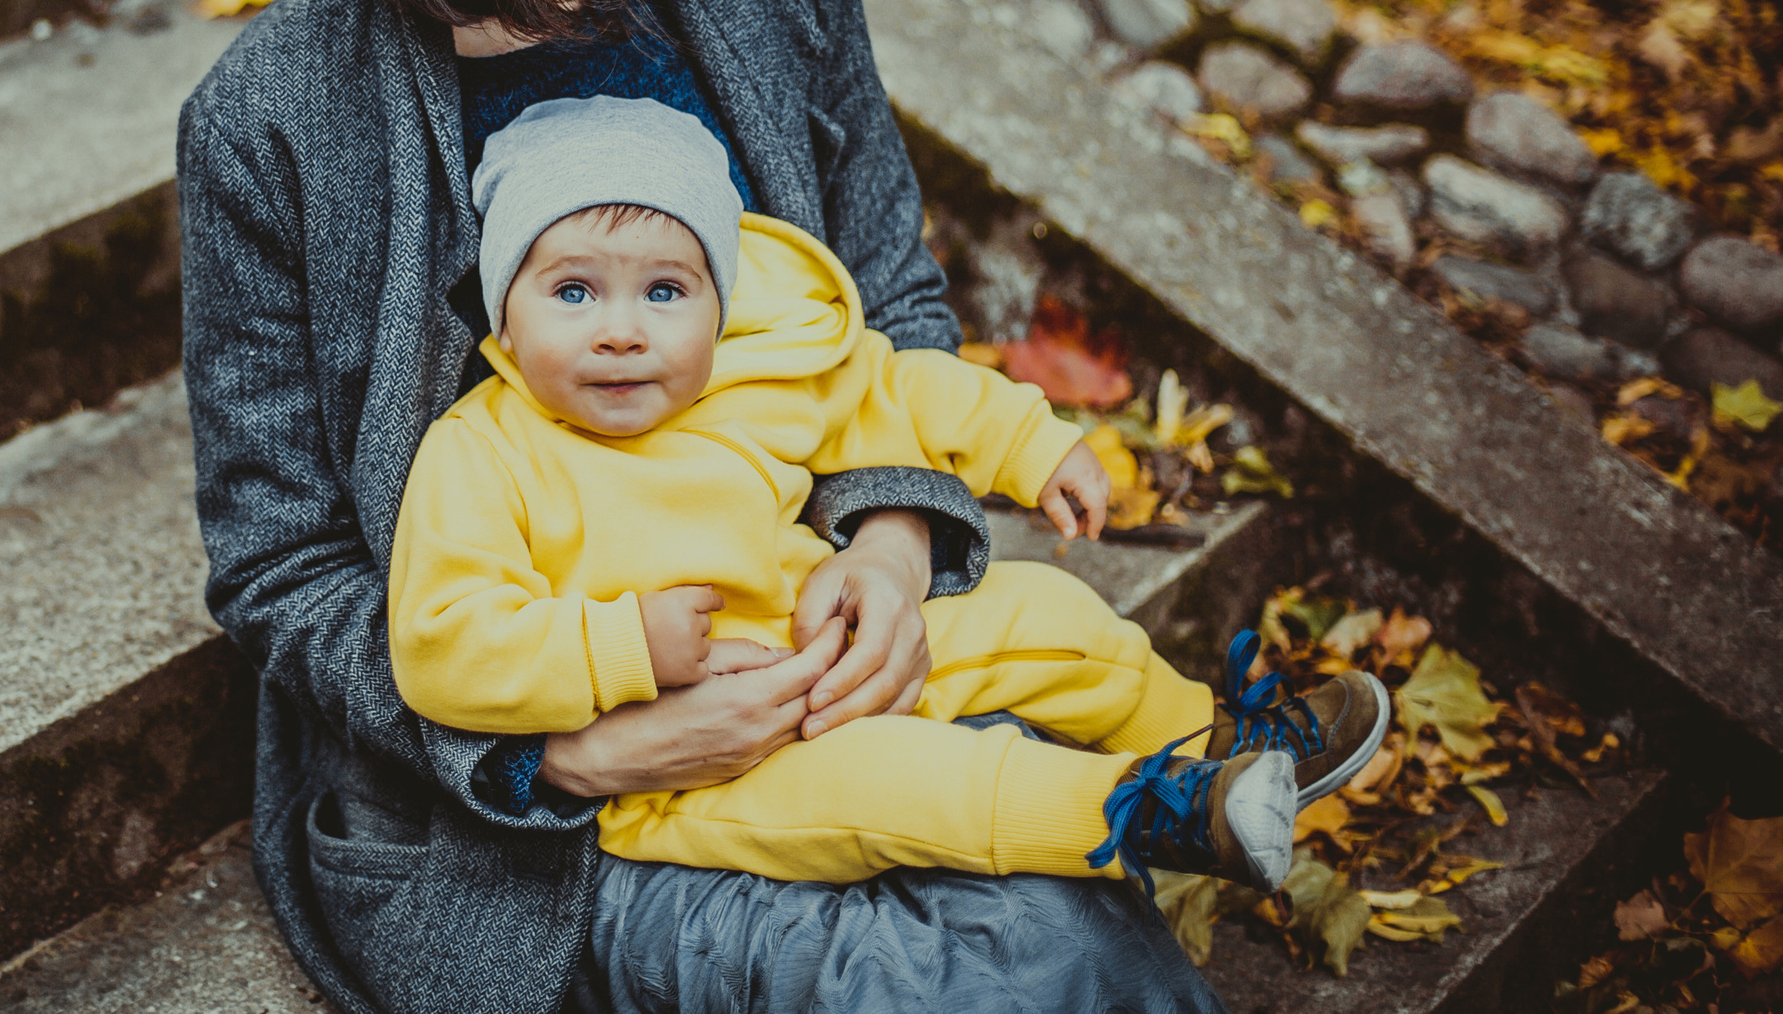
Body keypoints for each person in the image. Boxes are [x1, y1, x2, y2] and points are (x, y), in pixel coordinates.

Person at [181, 0, 1234, 1014]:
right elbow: (284, 569)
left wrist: (888, 541)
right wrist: (573, 745)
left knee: (1077, 898)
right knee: (1028, 968)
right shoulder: (277, 117)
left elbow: (888, 300)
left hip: (825, 644)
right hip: (577, 809)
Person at [389, 94, 1389, 896]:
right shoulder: (483, 455)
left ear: (718, 305)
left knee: (1050, 616)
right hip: (696, 767)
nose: (620, 330)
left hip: (835, 646)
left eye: (664, 292)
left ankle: (1208, 736)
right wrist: (619, 648)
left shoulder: (754, 369)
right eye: (571, 292)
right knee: (909, 790)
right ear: (504, 316)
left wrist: (1030, 445)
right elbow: (441, 645)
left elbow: (894, 385)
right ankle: (1151, 813)